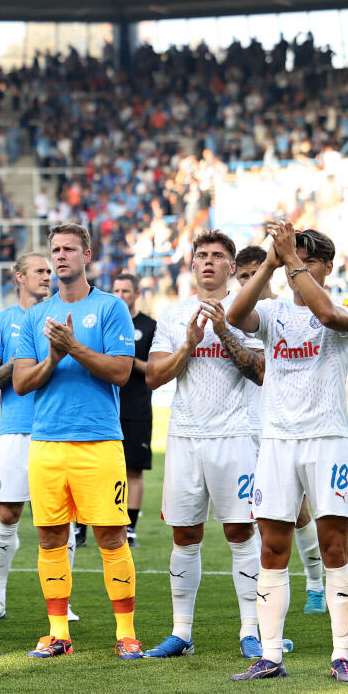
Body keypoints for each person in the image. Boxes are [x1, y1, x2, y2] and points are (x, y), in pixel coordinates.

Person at [226, 224, 348, 682]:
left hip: (326, 441)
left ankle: (340, 655)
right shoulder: (274, 310)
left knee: (334, 546)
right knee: (273, 547)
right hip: (277, 443)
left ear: (326, 264)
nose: (291, 268)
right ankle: (269, 656)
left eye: (303, 260)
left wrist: (292, 259)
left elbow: (326, 315)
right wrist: (269, 261)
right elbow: (233, 316)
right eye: (289, 260)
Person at [13, 223, 142, 660]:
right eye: (55, 249)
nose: (61, 256)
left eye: (70, 248)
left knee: (111, 535)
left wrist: (73, 347)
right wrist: (53, 356)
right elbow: (21, 383)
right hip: (47, 443)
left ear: (87, 255)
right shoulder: (35, 316)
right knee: (50, 538)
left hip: (99, 441)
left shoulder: (110, 308)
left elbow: (122, 372)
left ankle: (126, 633)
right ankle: (58, 633)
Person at [142, 231, 265, 659]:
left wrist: (223, 330)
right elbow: (154, 376)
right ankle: (182, 632)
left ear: (232, 267)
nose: (208, 262)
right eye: (201, 256)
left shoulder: (250, 312)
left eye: (218, 256)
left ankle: (251, 629)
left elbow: (259, 371)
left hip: (235, 437)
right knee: (185, 533)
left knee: (239, 530)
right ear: (191, 265)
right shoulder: (174, 314)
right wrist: (188, 347)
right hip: (185, 437)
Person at [0, 252, 78, 623]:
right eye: (39, 271)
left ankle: (62, 601)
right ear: (18, 277)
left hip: (57, 429)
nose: (47, 275)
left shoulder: (63, 315)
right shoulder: (2, 320)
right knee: (7, 513)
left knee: (62, 519)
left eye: (48, 271)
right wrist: (25, 359)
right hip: (15, 429)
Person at [235, 245, 326, 614]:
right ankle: (266, 606)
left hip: (285, 425)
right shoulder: (243, 312)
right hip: (242, 428)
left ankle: (317, 585)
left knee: (300, 513)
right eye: (242, 276)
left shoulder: (278, 314)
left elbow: (257, 372)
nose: (250, 280)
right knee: (258, 519)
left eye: (255, 273)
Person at [108, 273, 155, 549]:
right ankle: (81, 529)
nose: (120, 295)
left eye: (126, 290)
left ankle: (131, 527)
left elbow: (155, 369)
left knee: (133, 470)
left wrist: (126, 361)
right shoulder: (106, 323)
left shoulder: (149, 326)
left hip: (137, 407)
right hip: (105, 407)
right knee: (100, 469)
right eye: (116, 289)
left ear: (136, 294)